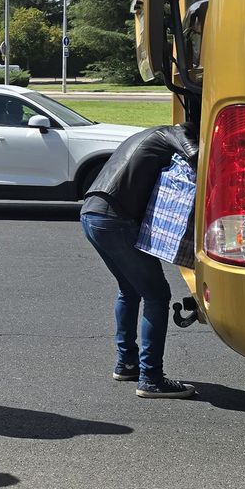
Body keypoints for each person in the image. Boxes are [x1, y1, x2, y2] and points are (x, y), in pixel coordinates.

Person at [80, 123, 199, 399]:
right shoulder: (173, 133)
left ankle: (127, 363)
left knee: (130, 289)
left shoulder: (144, 135)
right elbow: (196, 156)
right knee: (157, 295)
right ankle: (151, 379)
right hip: (115, 219)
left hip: (92, 214)